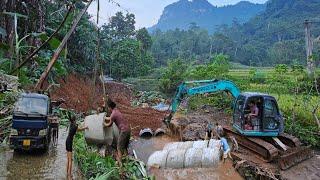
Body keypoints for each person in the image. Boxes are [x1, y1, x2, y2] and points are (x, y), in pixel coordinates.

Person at [103, 99, 131, 166]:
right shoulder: (116, 111)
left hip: (124, 131)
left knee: (119, 147)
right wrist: (104, 118)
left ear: (110, 107)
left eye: (108, 108)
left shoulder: (113, 114)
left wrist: (103, 124)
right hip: (128, 129)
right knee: (125, 146)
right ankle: (127, 160)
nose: (108, 110)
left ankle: (120, 164)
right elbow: (110, 118)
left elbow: (109, 124)